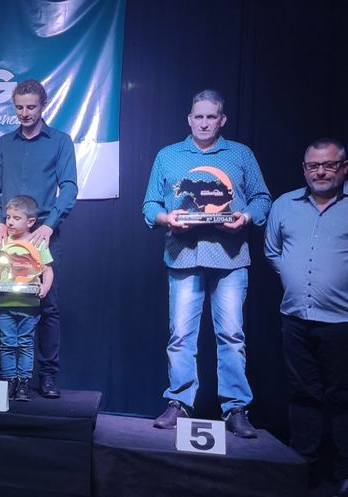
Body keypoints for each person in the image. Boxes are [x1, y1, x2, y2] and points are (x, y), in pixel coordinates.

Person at [142, 89, 271, 438]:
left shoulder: (240, 154)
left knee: (231, 335)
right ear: (189, 119)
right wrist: (167, 218)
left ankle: (236, 408)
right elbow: (150, 205)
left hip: (230, 258)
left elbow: (262, 199)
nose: (203, 123)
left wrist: (245, 217)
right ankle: (179, 403)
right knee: (180, 336)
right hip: (183, 256)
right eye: (198, 116)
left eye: (210, 117)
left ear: (221, 120)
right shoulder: (168, 156)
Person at [0, 79, 77, 398]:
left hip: (43, 236)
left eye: (31, 107)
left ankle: (46, 376)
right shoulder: (3, 144)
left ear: (43, 106)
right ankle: (3, 375)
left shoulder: (60, 141)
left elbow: (70, 187)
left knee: (47, 306)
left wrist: (48, 226)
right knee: (2, 304)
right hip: (9, 235)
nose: (25, 113)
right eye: (19, 107)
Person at [265, 138, 348, 493]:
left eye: (329, 165)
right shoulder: (284, 205)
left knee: (343, 398)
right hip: (295, 317)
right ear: (304, 169)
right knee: (302, 395)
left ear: (344, 167)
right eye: (314, 166)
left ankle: (343, 473)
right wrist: (295, 280)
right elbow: (272, 251)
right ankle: (303, 469)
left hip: (342, 321)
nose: (321, 172)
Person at [0, 196, 54, 402]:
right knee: (7, 344)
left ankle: (24, 383)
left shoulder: (37, 243)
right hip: (4, 304)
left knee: (25, 344)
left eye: (16, 218)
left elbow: (48, 270)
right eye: (8, 217)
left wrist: (45, 287)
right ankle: (9, 381)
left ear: (30, 221)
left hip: (29, 305)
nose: (10, 222)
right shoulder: (3, 243)